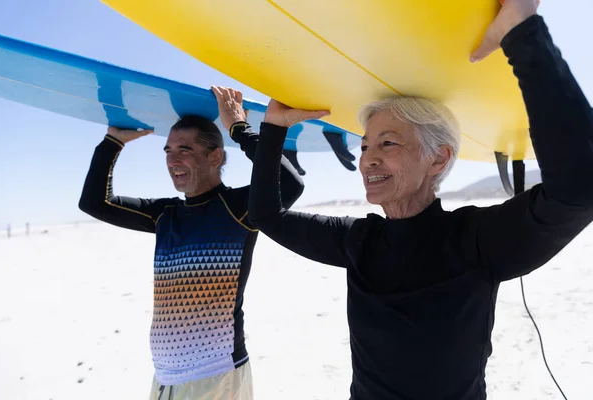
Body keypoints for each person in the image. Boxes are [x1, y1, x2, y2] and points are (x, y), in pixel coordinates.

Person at [247, 1, 593, 399]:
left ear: (439, 158)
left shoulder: (475, 241)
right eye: (363, 147)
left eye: (387, 143)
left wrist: (523, 34)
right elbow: (266, 215)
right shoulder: (358, 241)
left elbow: (579, 187)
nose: (368, 159)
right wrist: (273, 128)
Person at [78, 86, 304, 400]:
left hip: (216, 375)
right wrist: (112, 143)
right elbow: (95, 203)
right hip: (165, 376)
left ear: (215, 156)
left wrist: (239, 129)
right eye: (168, 150)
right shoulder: (164, 214)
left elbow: (290, 183)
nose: (172, 160)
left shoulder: (240, 208)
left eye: (184, 149)